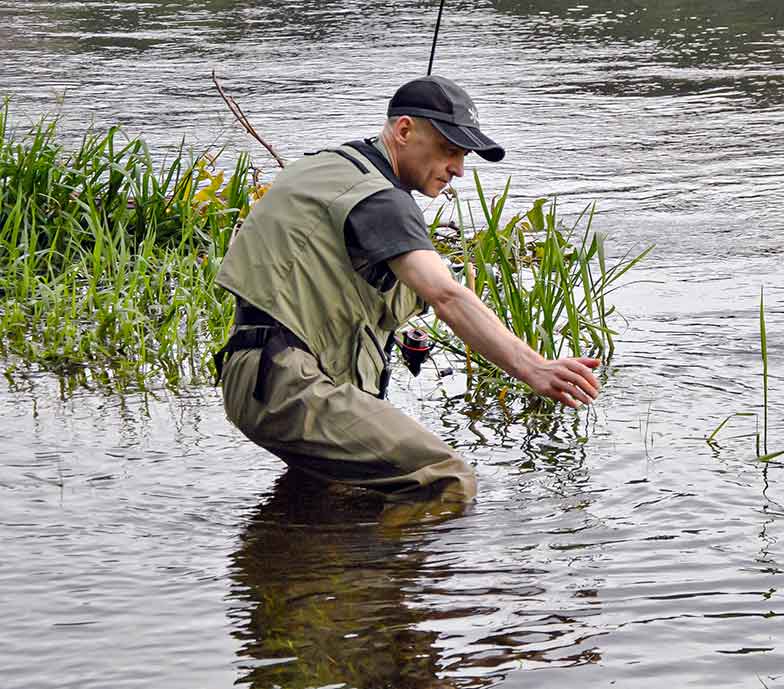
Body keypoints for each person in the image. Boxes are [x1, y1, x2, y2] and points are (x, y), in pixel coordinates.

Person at [213, 75, 600, 503]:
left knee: (326, 499)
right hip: (288, 385)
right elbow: (447, 296)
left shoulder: (335, 168)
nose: (458, 169)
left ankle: (300, 567)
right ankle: (406, 571)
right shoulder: (379, 199)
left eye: (464, 154)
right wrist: (534, 369)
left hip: (260, 374)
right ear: (403, 131)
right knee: (446, 480)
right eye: (450, 150)